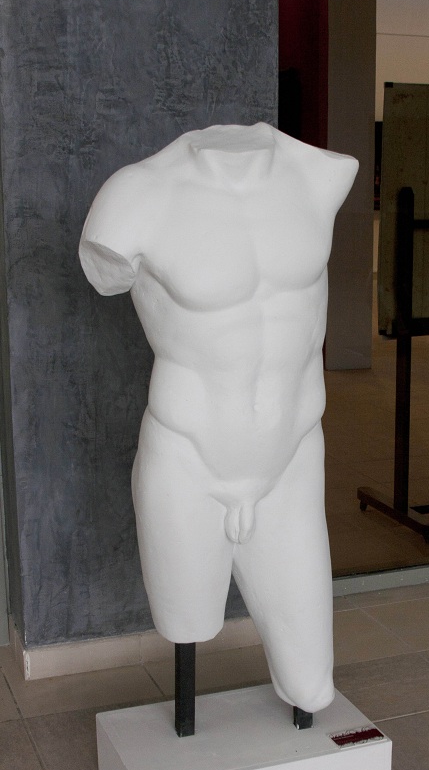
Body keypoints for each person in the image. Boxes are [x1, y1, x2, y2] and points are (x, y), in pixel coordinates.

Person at [80, 122, 358, 713]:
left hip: (291, 458)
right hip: (189, 460)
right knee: (187, 624)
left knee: (312, 686)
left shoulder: (318, 175)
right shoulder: (139, 194)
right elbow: (104, 270)